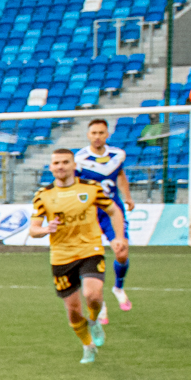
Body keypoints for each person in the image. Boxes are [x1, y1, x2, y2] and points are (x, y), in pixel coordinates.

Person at [28, 148, 128, 366]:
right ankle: (87, 346)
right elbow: (33, 230)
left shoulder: (91, 188)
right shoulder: (43, 195)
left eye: (65, 162)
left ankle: (94, 319)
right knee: (73, 310)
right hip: (61, 257)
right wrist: (45, 229)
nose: (61, 166)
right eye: (56, 163)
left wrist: (119, 237)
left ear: (74, 165)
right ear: (51, 167)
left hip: (90, 250)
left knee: (92, 294)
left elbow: (114, 211)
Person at [75, 117, 136, 316]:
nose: (97, 136)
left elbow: (120, 175)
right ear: (88, 135)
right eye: (94, 133)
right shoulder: (80, 159)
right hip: (90, 213)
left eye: (101, 133)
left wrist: (127, 196)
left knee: (121, 252)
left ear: (107, 134)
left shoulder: (117, 155)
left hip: (113, 211)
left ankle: (118, 287)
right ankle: (98, 301)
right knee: (91, 258)